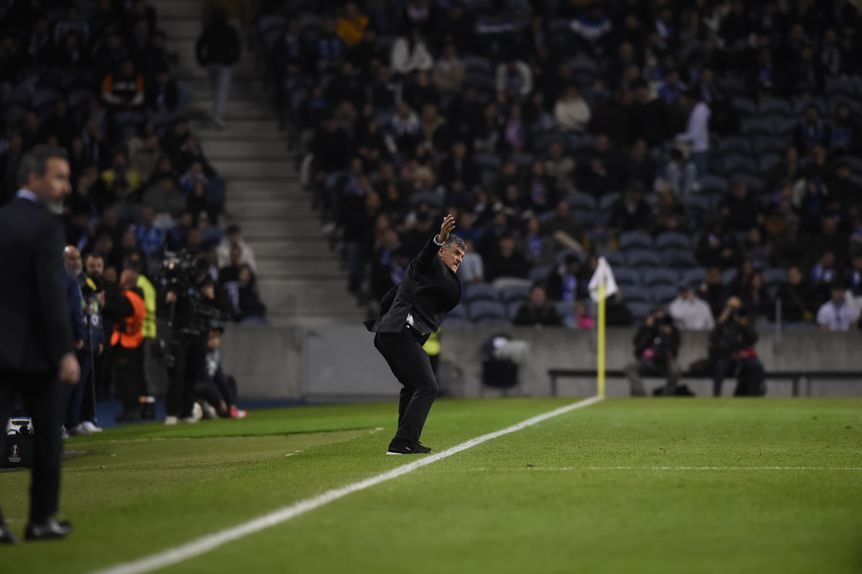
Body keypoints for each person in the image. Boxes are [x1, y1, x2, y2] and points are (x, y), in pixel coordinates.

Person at [0, 145, 80, 543]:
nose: (65, 186)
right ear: (33, 178)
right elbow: (52, 294)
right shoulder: (47, 226)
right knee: (48, 438)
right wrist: (65, 351)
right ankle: (40, 519)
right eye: (58, 177)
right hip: (37, 353)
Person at [365, 214, 464, 455]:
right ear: (442, 252)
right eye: (456, 253)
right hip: (400, 333)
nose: (459, 259)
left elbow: (388, 299)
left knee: (412, 386)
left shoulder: (427, 279)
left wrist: (389, 319)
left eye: (462, 256)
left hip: (394, 333)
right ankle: (402, 441)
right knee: (428, 386)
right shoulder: (429, 265)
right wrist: (439, 239)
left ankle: (405, 440)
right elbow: (423, 258)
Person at [709, 297, 765, 397]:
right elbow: (712, 339)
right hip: (727, 356)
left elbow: (753, 339)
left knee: (756, 366)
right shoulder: (724, 322)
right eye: (731, 307)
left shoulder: (746, 319)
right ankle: (716, 396)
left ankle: (754, 396)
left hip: (744, 356)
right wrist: (720, 323)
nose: (733, 310)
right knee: (720, 366)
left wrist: (745, 326)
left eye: (736, 307)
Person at [195, 8, 241, 128]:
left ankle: (216, 112)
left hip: (212, 63)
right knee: (221, 89)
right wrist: (233, 59)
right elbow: (236, 47)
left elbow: (199, 45)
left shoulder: (209, 29)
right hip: (223, 64)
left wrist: (201, 60)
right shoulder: (230, 30)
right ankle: (218, 114)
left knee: (215, 88)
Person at [112, 268, 147, 422]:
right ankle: (134, 408)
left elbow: (119, 314)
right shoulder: (139, 297)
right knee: (134, 377)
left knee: (127, 379)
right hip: (136, 340)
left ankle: (131, 409)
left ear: (125, 281)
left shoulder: (128, 298)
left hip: (127, 342)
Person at [625, 309, 681, 396]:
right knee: (630, 367)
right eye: (657, 318)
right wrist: (647, 329)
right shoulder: (647, 329)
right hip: (647, 360)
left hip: (665, 361)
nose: (660, 321)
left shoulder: (672, 330)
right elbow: (638, 344)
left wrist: (667, 335)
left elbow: (675, 349)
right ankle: (641, 395)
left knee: (676, 370)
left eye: (662, 317)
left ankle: (666, 396)